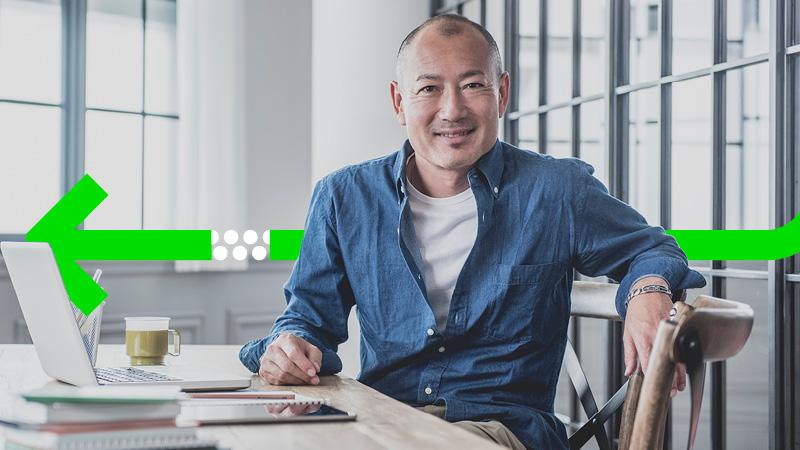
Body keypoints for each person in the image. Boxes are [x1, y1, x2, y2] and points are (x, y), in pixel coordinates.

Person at [239, 14, 705, 450]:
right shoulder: (344, 197)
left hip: (501, 430)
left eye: (472, 85)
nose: (452, 109)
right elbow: (308, 321)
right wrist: (289, 347)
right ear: (400, 102)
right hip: (380, 420)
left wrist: (648, 289)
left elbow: (654, 249)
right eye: (428, 88)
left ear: (501, 93)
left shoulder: (557, 190)